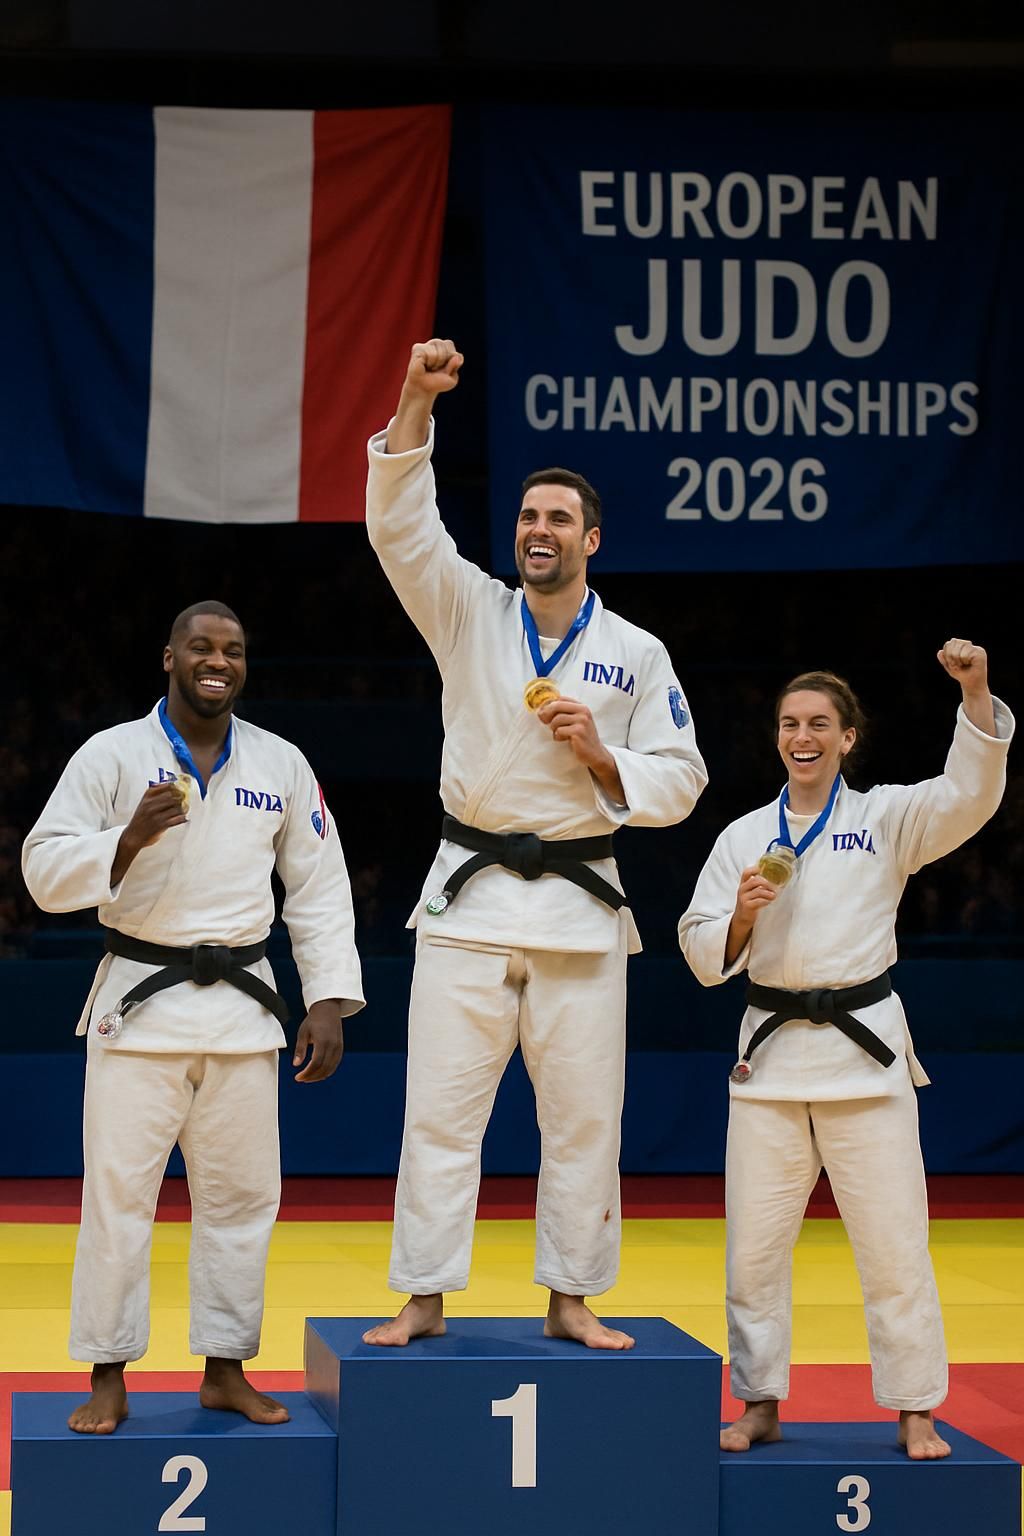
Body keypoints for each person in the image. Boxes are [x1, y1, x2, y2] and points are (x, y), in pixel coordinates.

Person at [362, 338, 707, 1350]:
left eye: (557, 518)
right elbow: (399, 528)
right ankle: (423, 1293)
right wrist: (414, 399)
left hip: (577, 906)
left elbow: (682, 780)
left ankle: (572, 1297)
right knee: (439, 1111)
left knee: (585, 1120)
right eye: (526, 517)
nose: (537, 530)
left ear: (591, 538)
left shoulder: (636, 652)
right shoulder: (469, 610)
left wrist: (605, 758)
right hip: (468, 897)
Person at [22, 601, 364, 1433]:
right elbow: (41, 868)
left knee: (243, 1201)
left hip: (243, 1011)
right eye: (202, 647)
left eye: (233, 650)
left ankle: (225, 1367)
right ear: (169, 657)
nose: (219, 661)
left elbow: (318, 885)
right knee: (118, 1200)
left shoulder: (280, 762)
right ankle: (108, 1372)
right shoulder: (111, 754)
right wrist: (125, 840)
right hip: (141, 1008)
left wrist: (326, 998)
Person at [678, 640, 1013, 1459]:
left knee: (894, 1247)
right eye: (791, 723)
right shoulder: (743, 837)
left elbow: (970, 794)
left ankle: (915, 1407)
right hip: (770, 1064)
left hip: (865, 1060)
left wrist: (974, 694)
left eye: (820, 724)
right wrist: (743, 915)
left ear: (847, 737)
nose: (804, 736)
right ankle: (759, 1399)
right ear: (778, 737)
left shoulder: (885, 819)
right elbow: (699, 948)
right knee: (754, 1253)